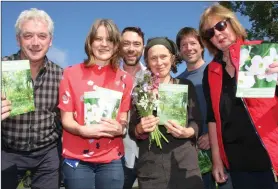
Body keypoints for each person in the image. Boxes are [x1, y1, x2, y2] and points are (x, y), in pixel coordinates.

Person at [199, 4, 278, 189]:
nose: (217, 34)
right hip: (237, 163)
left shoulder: (262, 51)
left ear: (232, 24)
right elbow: (213, 119)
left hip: (270, 155)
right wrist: (217, 161)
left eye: (220, 26)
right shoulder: (211, 71)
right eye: (210, 33)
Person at [58, 19, 133, 189]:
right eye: (98, 39)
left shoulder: (125, 79)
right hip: (76, 159)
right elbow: (66, 120)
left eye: (110, 40)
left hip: (112, 159)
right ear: (90, 42)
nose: (104, 44)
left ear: (116, 45)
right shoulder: (70, 73)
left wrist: (121, 128)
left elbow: (123, 119)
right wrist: (81, 130)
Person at [129, 37, 204, 189]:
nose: (159, 62)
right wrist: (140, 129)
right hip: (151, 169)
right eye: (153, 58)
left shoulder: (185, 85)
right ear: (148, 62)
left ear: (172, 57)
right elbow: (132, 129)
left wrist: (187, 132)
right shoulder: (140, 90)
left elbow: (196, 121)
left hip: (184, 165)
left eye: (163, 56)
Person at [1, 8, 63, 189]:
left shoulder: (61, 75)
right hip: (7, 150)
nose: (35, 43)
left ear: (50, 41)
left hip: (47, 153)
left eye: (42, 36)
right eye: (28, 36)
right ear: (18, 39)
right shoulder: (2, 67)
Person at [176, 27, 233, 189]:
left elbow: (228, 109)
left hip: (222, 147)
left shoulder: (217, 71)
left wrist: (211, 135)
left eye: (193, 43)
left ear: (202, 46)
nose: (189, 48)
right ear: (179, 51)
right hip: (193, 153)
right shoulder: (176, 82)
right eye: (183, 45)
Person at [120, 26, 146, 189]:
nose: (131, 49)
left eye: (136, 44)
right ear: (119, 46)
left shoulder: (153, 77)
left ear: (143, 48)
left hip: (148, 154)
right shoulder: (108, 77)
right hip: (119, 155)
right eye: (126, 44)